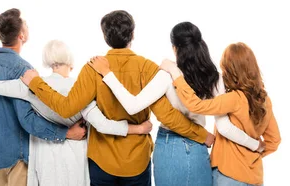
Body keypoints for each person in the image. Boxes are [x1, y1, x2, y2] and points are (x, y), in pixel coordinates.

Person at [20, 10, 215, 186]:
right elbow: (168, 116)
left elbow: (65, 108)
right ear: (132, 35)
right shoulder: (146, 68)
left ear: (105, 37)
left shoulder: (93, 68)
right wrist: (201, 134)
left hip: (101, 160)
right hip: (136, 162)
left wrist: (36, 82)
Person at [87, 22, 264, 186]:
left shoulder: (167, 74)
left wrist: (107, 74)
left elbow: (132, 106)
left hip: (169, 147)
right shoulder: (214, 77)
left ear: (174, 48)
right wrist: (255, 145)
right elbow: (224, 127)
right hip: (198, 148)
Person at [0, 40, 152, 186]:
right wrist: (139, 129)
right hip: (75, 158)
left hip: (44, 155)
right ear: (71, 63)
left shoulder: (30, 85)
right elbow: (103, 124)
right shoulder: (80, 89)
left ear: (47, 61)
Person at [0, 8, 87, 186]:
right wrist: (66, 133)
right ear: (22, 36)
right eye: (25, 25)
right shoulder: (23, 70)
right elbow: (28, 120)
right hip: (18, 159)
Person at [160, 42, 281, 185]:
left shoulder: (233, 99)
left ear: (229, 69)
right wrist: (254, 153)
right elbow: (274, 140)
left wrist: (176, 75)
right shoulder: (265, 100)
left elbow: (195, 105)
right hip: (255, 177)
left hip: (228, 174)